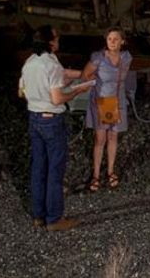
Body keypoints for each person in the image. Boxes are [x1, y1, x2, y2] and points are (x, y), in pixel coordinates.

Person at [18, 25, 92, 231]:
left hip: (34, 119)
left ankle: (38, 216)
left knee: (38, 168)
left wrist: (80, 75)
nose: (59, 40)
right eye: (56, 37)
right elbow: (58, 97)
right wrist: (78, 90)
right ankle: (55, 219)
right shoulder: (52, 65)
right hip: (52, 121)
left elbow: (21, 92)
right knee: (55, 170)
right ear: (50, 42)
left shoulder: (30, 62)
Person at [82, 27, 132, 192]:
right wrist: (97, 84)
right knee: (100, 139)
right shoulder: (99, 58)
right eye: (109, 39)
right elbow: (86, 75)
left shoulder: (126, 57)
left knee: (113, 137)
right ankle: (96, 174)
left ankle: (110, 171)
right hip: (104, 101)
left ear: (122, 41)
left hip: (118, 101)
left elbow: (123, 76)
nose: (112, 42)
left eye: (115, 39)